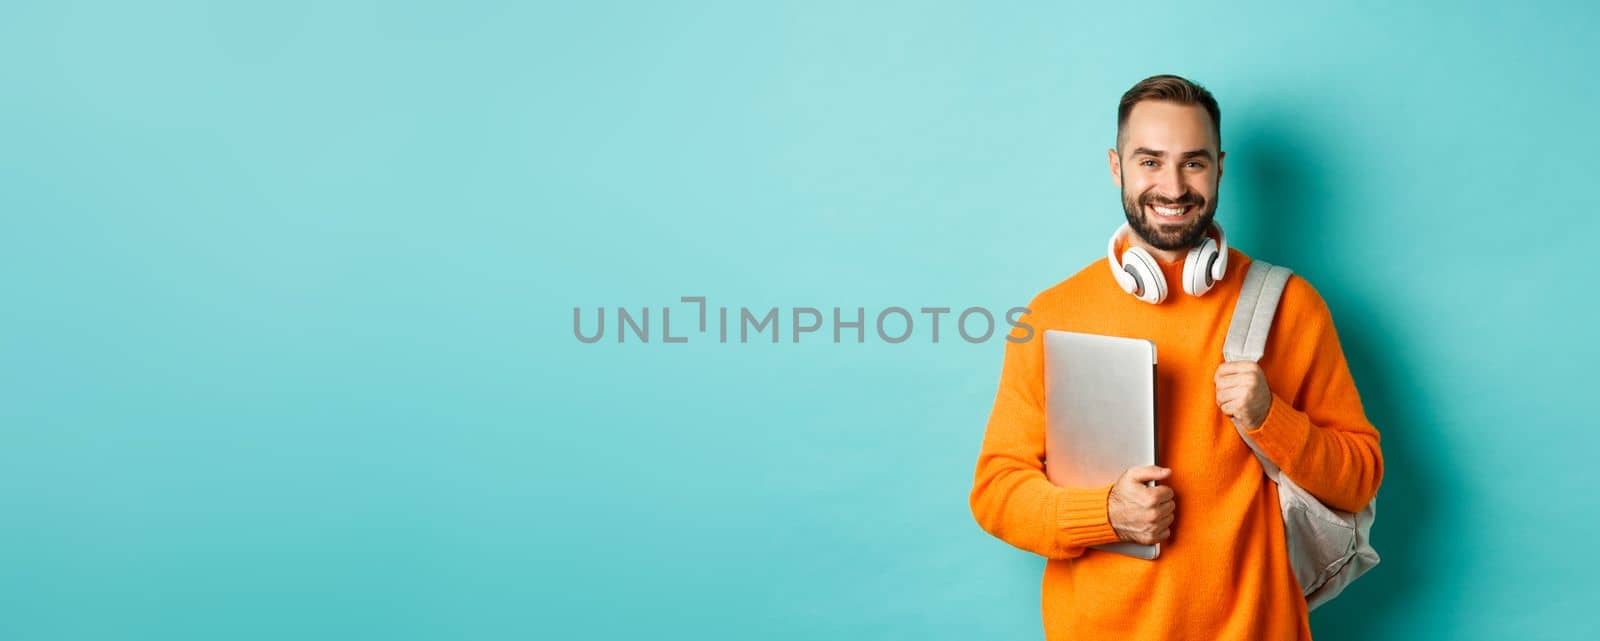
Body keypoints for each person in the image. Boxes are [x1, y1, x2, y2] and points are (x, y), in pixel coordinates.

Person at [967, 74, 1383, 640]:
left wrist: (1271, 418)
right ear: (1117, 167)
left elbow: (1360, 478)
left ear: (1219, 167)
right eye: (1150, 161)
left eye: (1193, 162)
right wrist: (1105, 514)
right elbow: (997, 490)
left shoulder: (1291, 306)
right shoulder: (1053, 314)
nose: (1172, 185)